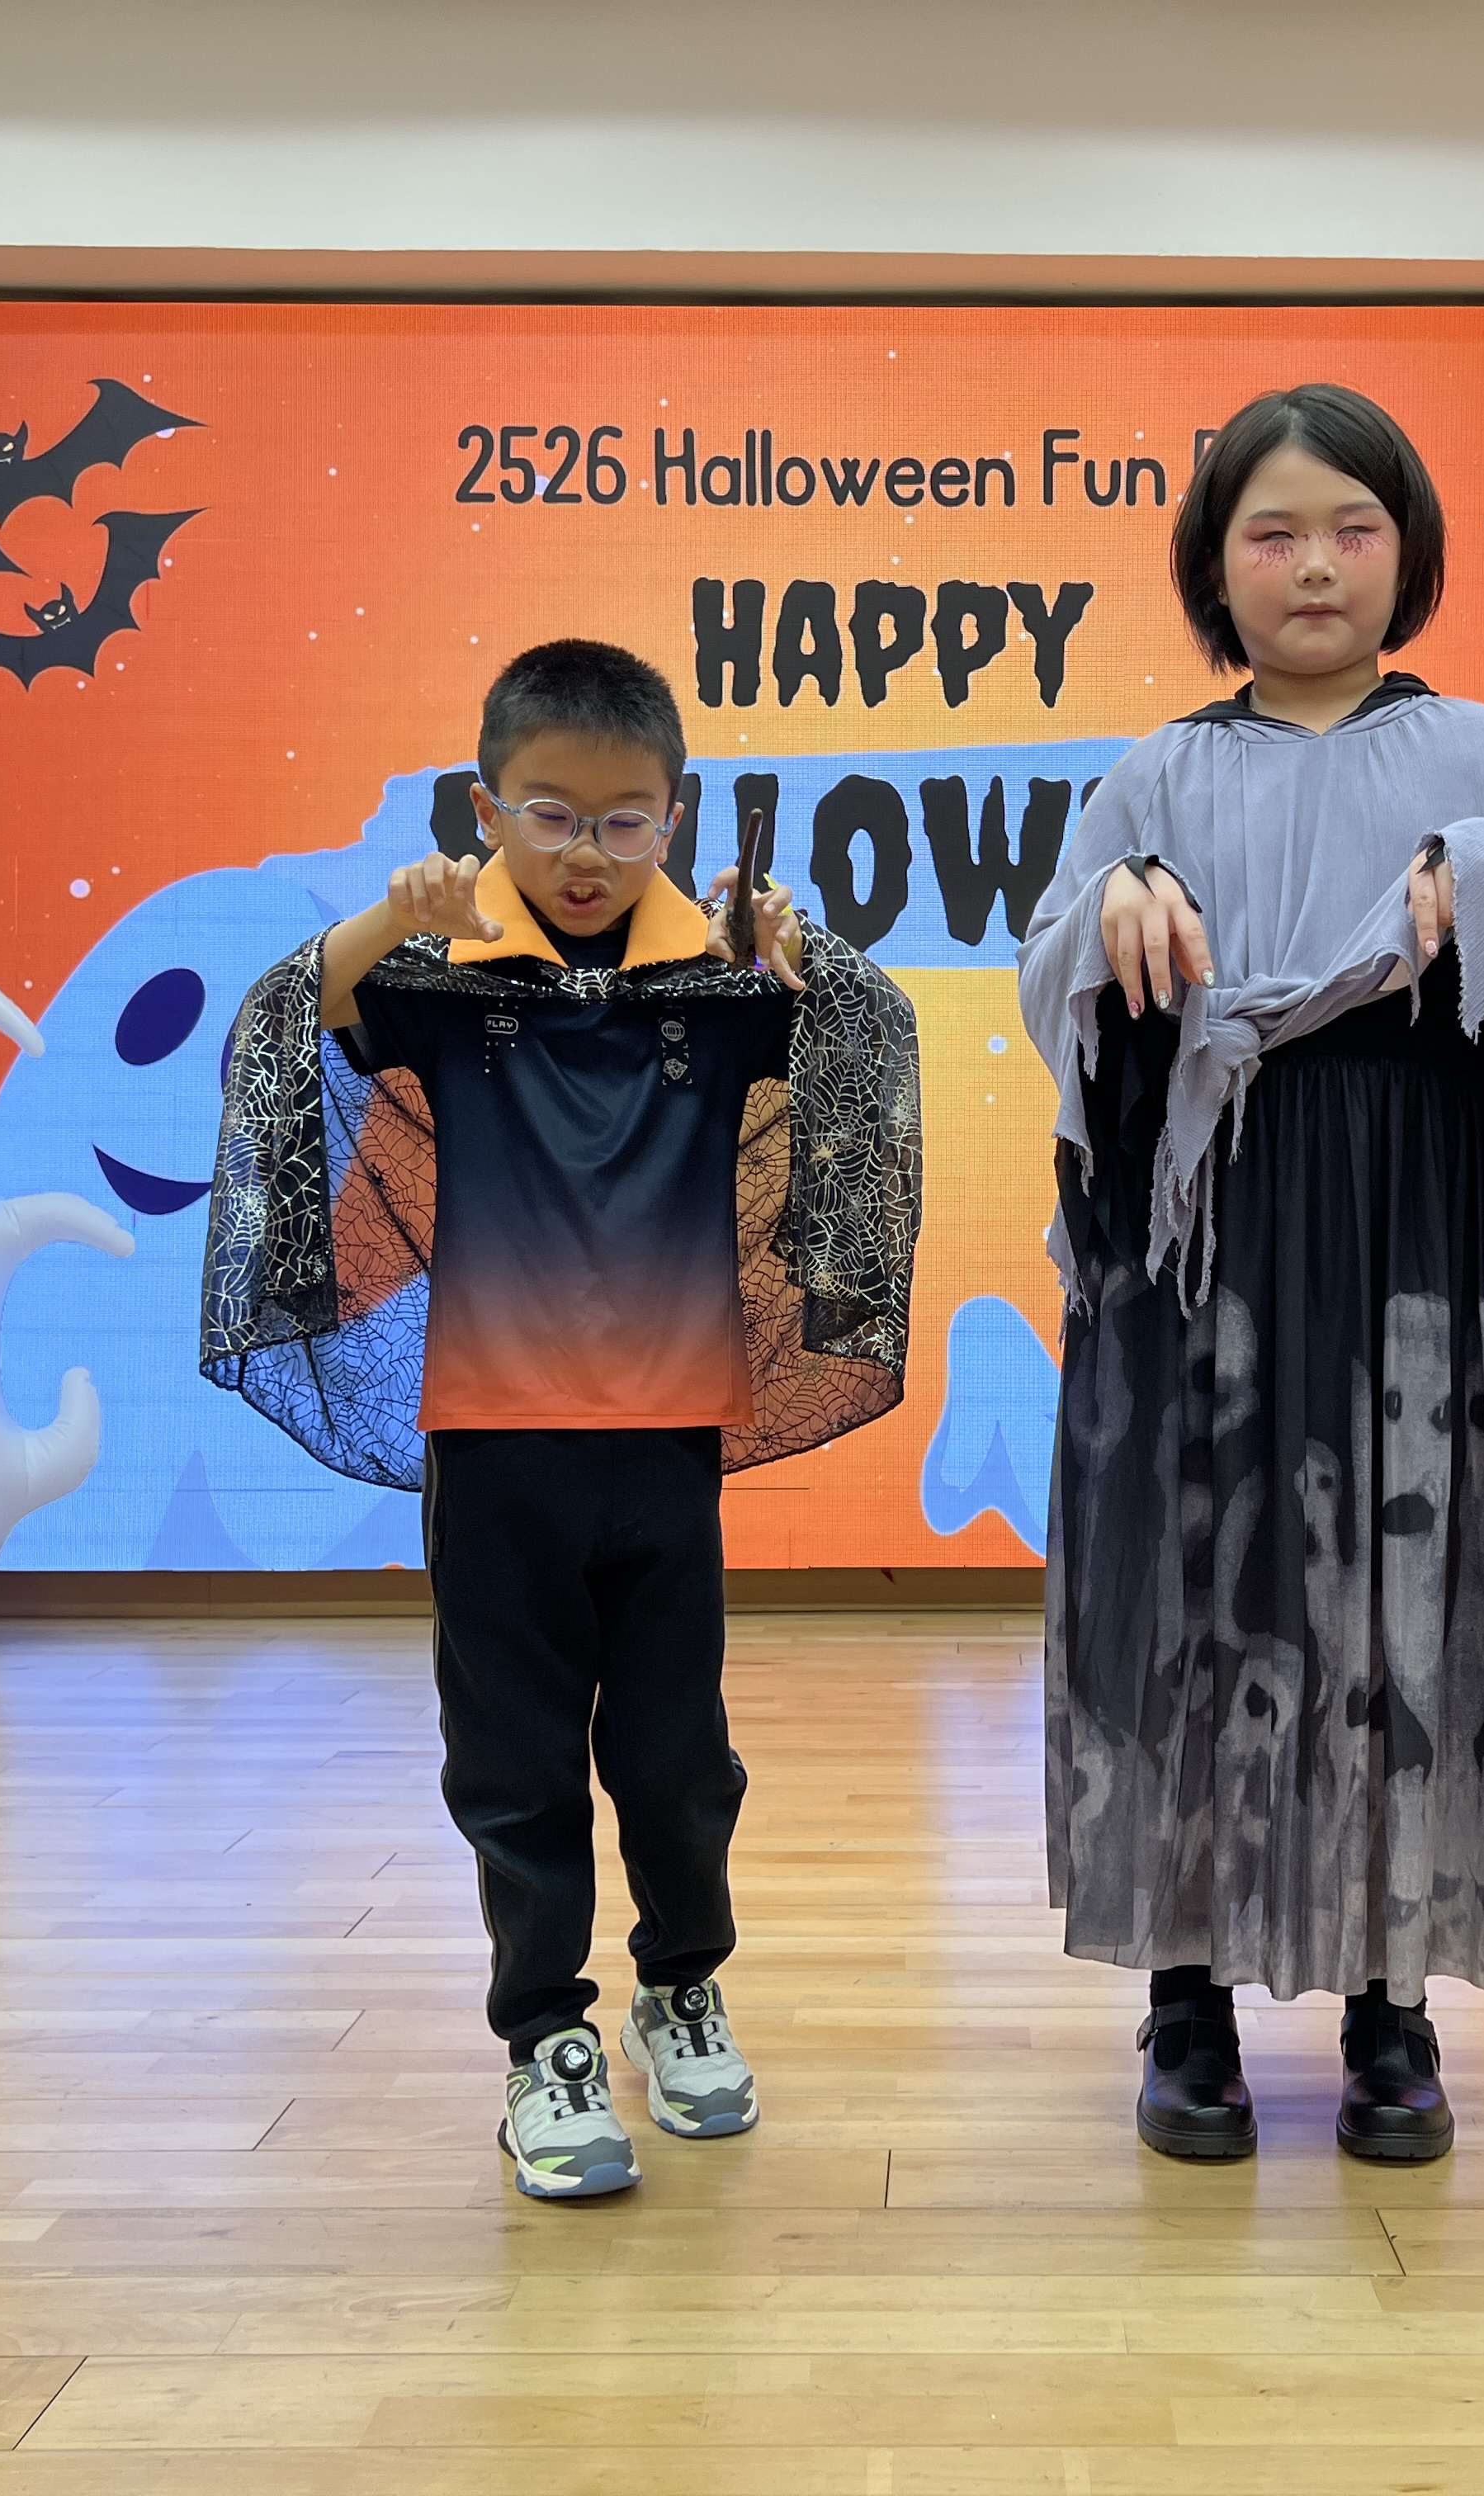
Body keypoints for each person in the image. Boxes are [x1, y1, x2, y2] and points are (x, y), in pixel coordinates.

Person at [202, 640, 923, 2201]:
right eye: (548, 815)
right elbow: (281, 1024)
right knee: (514, 1762)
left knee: (677, 1759)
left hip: (667, 1448)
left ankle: (682, 1986)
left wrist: (807, 956)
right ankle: (544, 2038)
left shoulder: (718, 996)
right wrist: (390, 919)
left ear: (676, 817)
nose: (586, 853)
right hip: (493, 1447)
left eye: (623, 821)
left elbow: (862, 1050)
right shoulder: (443, 988)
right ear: (486, 811)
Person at [1017, 385, 1484, 2163]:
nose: (1315, 566)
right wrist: (1114, 911)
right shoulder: (1155, 773)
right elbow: (1056, 972)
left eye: (1353, 530)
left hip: (1413, 1211)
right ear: (1215, 563)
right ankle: (1184, 1997)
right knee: (1184, 1583)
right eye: (1274, 532)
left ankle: (1394, 2003)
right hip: (1196, 1220)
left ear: (1408, 553)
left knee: (1403, 1590)